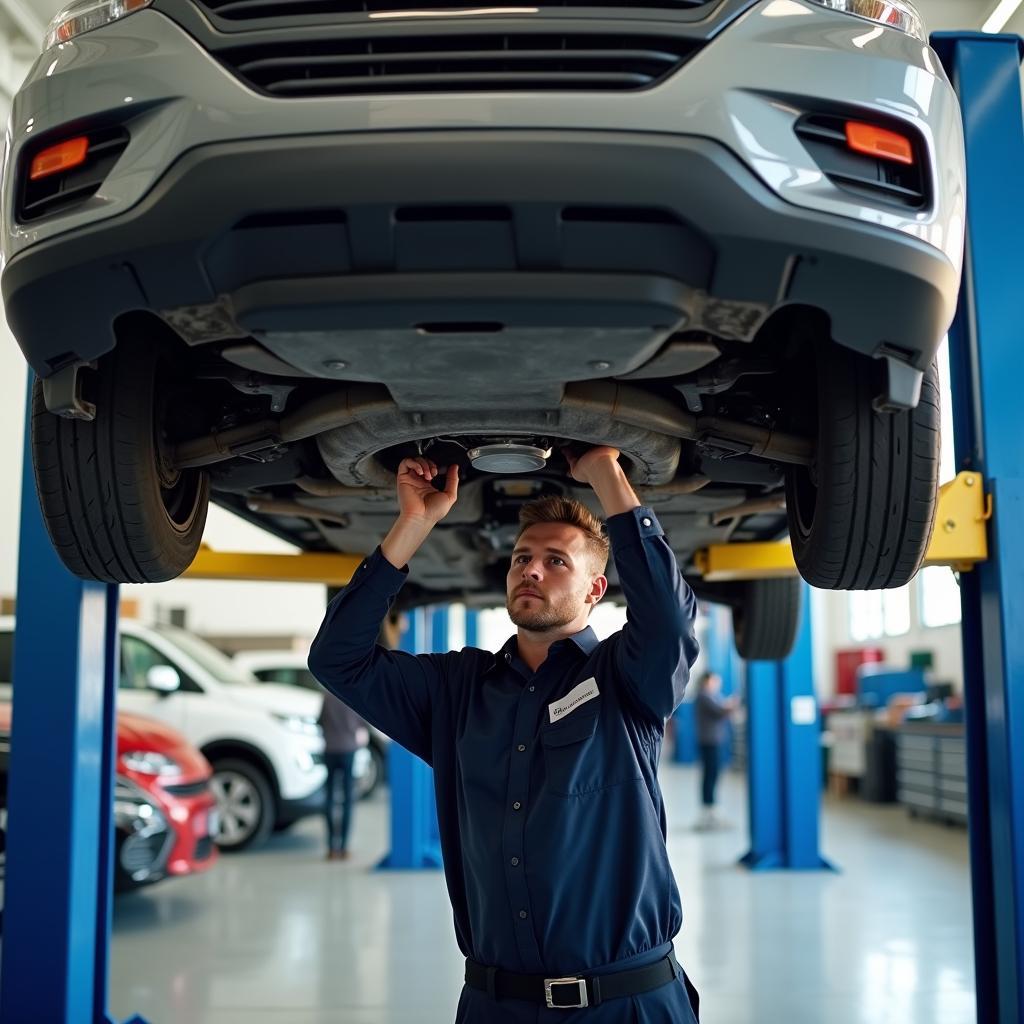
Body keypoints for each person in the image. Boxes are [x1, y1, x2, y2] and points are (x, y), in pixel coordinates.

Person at [308, 446, 702, 1022]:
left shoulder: (625, 678)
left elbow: (669, 621)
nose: (531, 570)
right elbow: (337, 660)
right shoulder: (457, 689)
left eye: (556, 561)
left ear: (596, 590)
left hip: (628, 1003)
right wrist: (411, 526)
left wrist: (606, 476)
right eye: (522, 558)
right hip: (496, 1005)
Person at [318, 690, 369, 860]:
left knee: (330, 799)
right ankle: (345, 847)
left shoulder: (326, 696)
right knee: (348, 799)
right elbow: (363, 723)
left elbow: (320, 721)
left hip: (330, 750)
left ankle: (331, 848)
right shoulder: (351, 695)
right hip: (348, 750)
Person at [693, 671, 738, 831]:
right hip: (709, 742)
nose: (717, 684)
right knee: (711, 774)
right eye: (715, 681)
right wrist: (733, 703)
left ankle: (711, 809)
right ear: (707, 681)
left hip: (712, 742)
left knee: (712, 774)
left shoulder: (710, 696)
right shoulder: (705, 696)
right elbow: (720, 711)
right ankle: (708, 811)